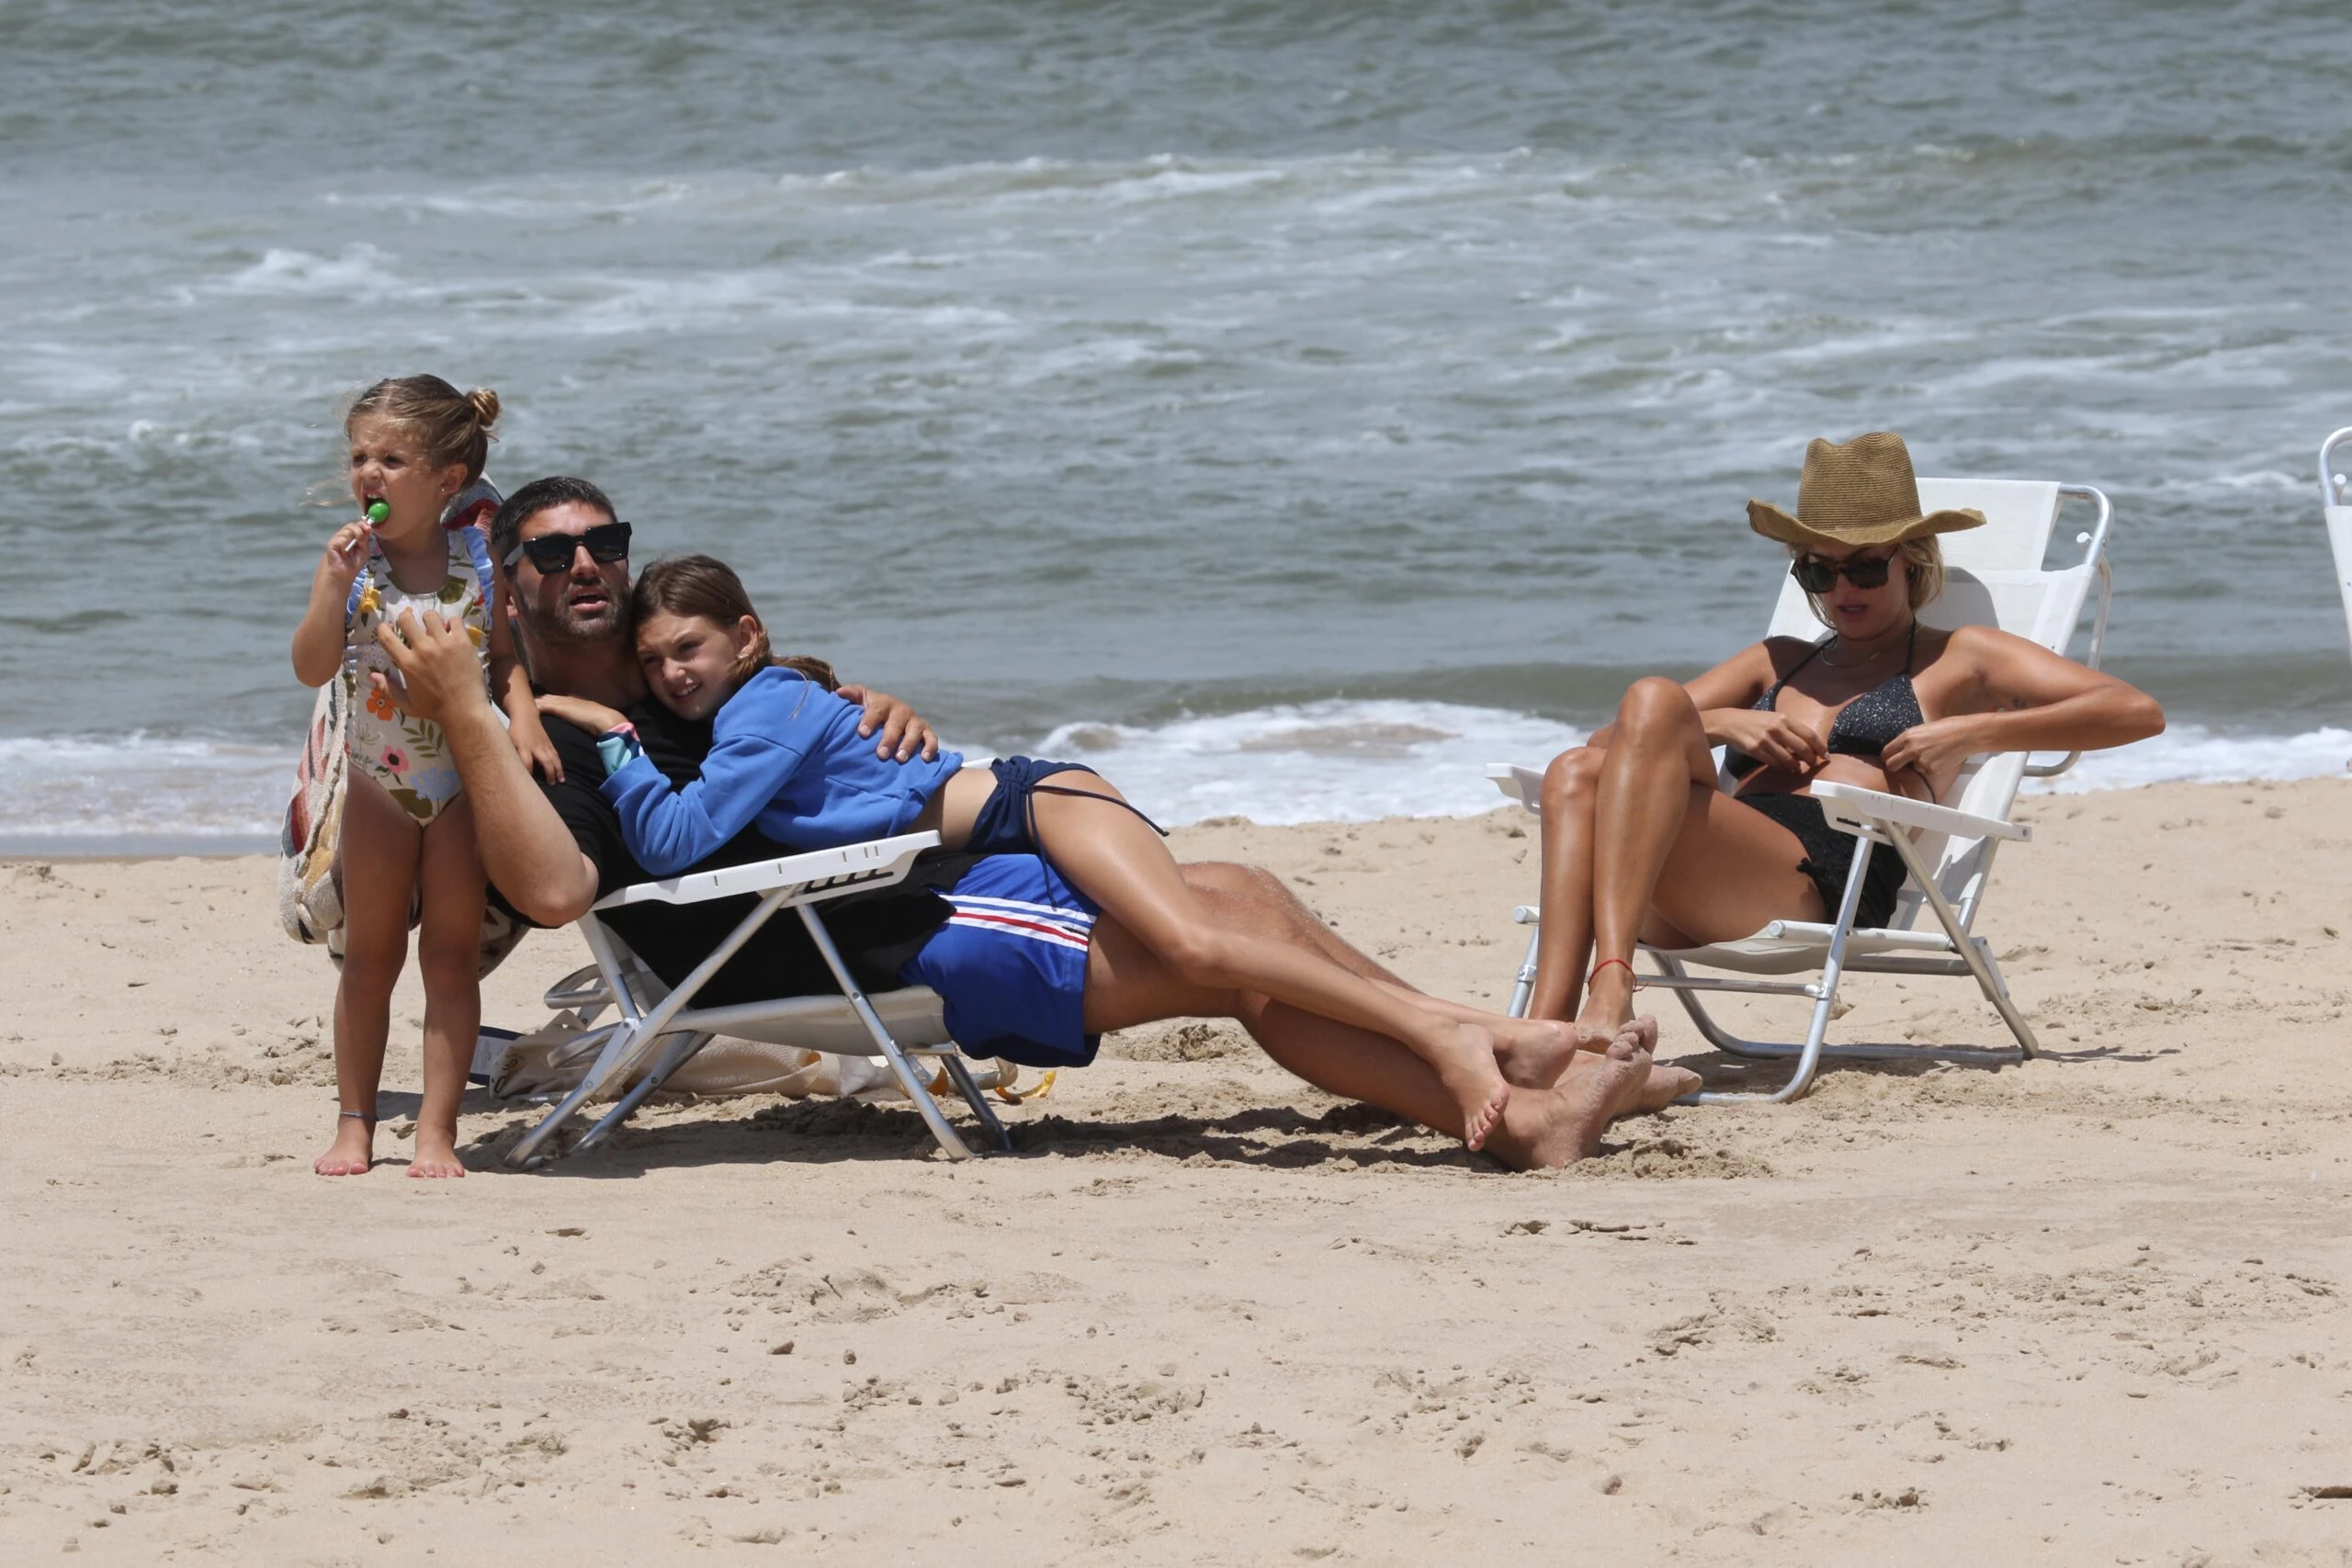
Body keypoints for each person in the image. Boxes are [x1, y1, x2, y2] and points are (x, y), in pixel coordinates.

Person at [361, 476, 1692, 1168]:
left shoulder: (675, 685)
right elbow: (549, 889)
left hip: (921, 881)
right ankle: (1488, 1063)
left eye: (603, 543)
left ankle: (1508, 1079)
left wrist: (848, 695)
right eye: (549, 554)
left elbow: (800, 722)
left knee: (1233, 886)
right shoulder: (552, 739)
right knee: (1216, 944)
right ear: (509, 583)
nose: (583, 565)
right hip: (876, 939)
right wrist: (477, 710)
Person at [533, 554, 1586, 1151]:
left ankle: (1458, 1037)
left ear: (746, 636)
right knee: (1240, 903)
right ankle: (1495, 1046)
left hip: (1032, 810)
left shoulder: (758, 712)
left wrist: (616, 741)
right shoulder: (763, 702)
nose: (671, 673)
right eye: (653, 659)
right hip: (1004, 825)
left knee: (1199, 942)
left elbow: (680, 829)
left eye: (687, 650)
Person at [1523, 431, 2165, 1040]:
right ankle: (1545, 1030)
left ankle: (1608, 986)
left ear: (1912, 562)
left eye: (1864, 568)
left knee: (1652, 700)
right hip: (1690, 883)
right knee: (1579, 767)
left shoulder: (1960, 658)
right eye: (1819, 572)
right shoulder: (1777, 659)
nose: (1842, 589)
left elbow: (2134, 709)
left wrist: (1973, 732)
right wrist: (1721, 723)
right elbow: (1607, 742)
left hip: (1818, 883)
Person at [287, 377, 558, 1179]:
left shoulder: (478, 559)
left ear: (446, 478)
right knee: (369, 958)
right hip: (377, 783)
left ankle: (437, 1128)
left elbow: (505, 664)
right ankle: (355, 1121)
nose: (369, 473)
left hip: (462, 788)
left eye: (392, 458)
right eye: (360, 456)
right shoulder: (353, 568)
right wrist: (331, 588)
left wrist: (530, 721)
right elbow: (311, 668)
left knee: (449, 957)